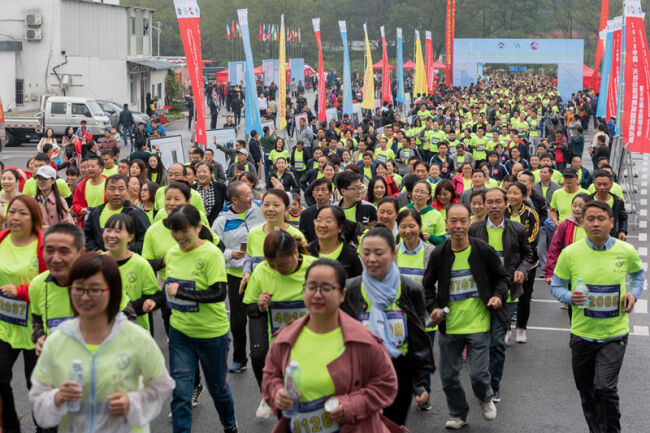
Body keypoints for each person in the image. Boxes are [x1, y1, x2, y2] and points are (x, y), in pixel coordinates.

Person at [28, 252, 174, 432]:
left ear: (113, 292)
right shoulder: (57, 341)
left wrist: (132, 402)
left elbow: (162, 385)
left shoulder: (137, 339)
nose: (85, 297)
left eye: (95, 289)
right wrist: (56, 398)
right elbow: (38, 399)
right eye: (78, 288)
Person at [262, 259, 399, 433]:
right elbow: (270, 376)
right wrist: (277, 392)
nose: (317, 295)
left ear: (342, 294)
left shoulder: (363, 341)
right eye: (311, 287)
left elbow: (386, 384)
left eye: (326, 288)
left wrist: (350, 406)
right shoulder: (286, 338)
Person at [550, 201, 644, 433]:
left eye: (601, 218)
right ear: (582, 223)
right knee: (587, 392)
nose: (595, 223)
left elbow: (637, 275)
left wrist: (633, 294)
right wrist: (570, 297)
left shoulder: (626, 251)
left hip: (614, 334)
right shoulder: (570, 253)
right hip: (582, 334)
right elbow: (556, 285)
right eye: (590, 219)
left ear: (611, 222)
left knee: (605, 388)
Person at [424, 203, 508, 429]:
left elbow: (502, 278)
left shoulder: (483, 250)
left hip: (478, 323)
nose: (458, 226)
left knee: (479, 374)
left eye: (463, 221)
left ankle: (485, 397)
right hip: (449, 325)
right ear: (446, 224)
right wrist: (433, 308)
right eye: (453, 221)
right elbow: (427, 286)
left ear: (469, 223)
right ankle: (458, 414)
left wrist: (498, 296)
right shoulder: (439, 254)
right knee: (449, 377)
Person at [341, 226, 433, 426]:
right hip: (360, 375)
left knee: (391, 426)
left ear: (393, 254)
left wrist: (419, 384)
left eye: (379, 253)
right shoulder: (350, 289)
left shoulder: (410, 289)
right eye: (366, 253)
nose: (371, 259)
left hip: (398, 375)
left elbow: (417, 339)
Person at [164, 205, 238, 433]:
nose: (179, 236)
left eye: (184, 230)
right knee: (180, 392)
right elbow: (168, 290)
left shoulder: (211, 254)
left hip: (211, 335)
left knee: (218, 390)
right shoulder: (172, 253)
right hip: (180, 333)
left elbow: (219, 293)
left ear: (198, 227)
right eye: (174, 230)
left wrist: (183, 292)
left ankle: (230, 426)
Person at [242, 230, 317, 418]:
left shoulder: (315, 268)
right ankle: (268, 395)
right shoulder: (262, 271)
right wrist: (259, 305)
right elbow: (248, 307)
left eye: (283, 265)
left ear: (296, 253)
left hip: (312, 343)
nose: (278, 271)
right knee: (288, 406)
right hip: (280, 345)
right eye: (273, 266)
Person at [468, 187, 533, 401]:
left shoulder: (517, 229)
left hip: (508, 294)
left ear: (506, 204)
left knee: (496, 343)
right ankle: (480, 379)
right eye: (490, 202)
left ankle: (493, 386)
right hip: (479, 294)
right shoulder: (474, 229)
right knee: (478, 342)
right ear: (484, 204)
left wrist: (522, 270)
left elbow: (528, 254)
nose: (494, 206)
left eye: (498, 202)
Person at [0, 196, 48, 433]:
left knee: (36, 385)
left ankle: (43, 428)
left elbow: (51, 286)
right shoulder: (2, 239)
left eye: (22, 213)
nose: (15, 218)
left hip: (36, 328)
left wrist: (21, 291)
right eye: (12, 212)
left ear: (34, 217)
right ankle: (10, 426)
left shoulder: (43, 245)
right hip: (4, 325)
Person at [212, 181, 265, 373]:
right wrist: (229, 254)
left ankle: (268, 356)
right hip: (236, 276)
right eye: (247, 195)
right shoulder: (222, 221)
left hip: (262, 273)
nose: (251, 197)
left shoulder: (260, 208)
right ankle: (239, 358)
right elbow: (213, 247)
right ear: (234, 200)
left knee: (264, 314)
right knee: (238, 321)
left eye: (251, 193)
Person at [103, 214, 161, 332]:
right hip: (104, 332)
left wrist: (149, 302)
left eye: (118, 231)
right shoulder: (97, 262)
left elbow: (155, 295)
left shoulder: (140, 264)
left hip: (135, 332)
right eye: (108, 230)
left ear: (130, 237)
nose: (112, 235)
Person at [505, 182, 540, 344]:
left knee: (524, 297)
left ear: (524, 196)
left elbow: (533, 238)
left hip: (528, 263)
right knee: (505, 297)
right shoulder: (503, 211)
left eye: (515, 193)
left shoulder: (531, 214)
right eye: (509, 192)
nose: (511, 196)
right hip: (506, 262)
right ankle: (506, 328)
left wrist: (515, 249)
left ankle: (521, 328)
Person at [83, 175, 150, 253]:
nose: (116, 193)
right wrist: (95, 250)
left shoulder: (136, 213)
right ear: (105, 191)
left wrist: (122, 252)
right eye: (112, 189)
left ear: (127, 191)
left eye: (121, 189)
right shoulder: (96, 212)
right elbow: (87, 235)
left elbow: (145, 240)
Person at [544, 193, 593, 283]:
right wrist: (550, 272)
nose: (577, 209)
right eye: (574, 206)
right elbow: (554, 249)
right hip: (569, 272)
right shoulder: (565, 225)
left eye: (581, 206)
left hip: (591, 271)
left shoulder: (595, 226)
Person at [307, 205, 362, 278]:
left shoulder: (351, 256)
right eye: (319, 220)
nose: (322, 225)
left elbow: (358, 282)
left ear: (340, 227)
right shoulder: (307, 251)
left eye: (328, 221)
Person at [402, 180, 446, 245]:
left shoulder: (436, 215)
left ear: (429, 196)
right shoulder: (403, 211)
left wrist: (430, 237)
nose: (418, 195)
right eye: (416, 191)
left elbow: (443, 240)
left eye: (422, 192)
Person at [590, 170, 627, 241]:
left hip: (613, 238)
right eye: (599, 184)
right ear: (594, 184)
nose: (602, 187)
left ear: (611, 185)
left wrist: (622, 231)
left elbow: (623, 218)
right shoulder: (587, 200)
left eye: (605, 184)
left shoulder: (618, 201)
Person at [71, 156, 107, 226]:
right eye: (88, 166)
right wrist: (80, 210)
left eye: (93, 166)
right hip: (88, 223)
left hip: (106, 223)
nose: (90, 169)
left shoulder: (109, 184)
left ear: (101, 168)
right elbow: (76, 204)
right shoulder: (81, 186)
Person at [298, 178, 333, 243]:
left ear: (330, 193)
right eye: (317, 190)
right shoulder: (305, 214)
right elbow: (304, 238)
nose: (320, 193)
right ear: (313, 193)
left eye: (323, 190)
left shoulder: (337, 212)